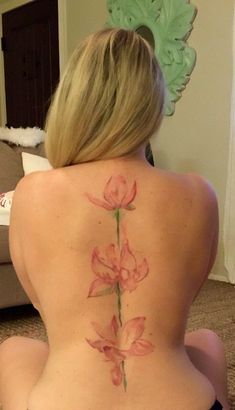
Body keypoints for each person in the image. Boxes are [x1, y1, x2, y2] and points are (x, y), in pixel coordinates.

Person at [0, 28, 229, 410]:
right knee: (207, 341)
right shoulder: (199, 193)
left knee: (13, 349)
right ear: (151, 103)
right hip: (188, 403)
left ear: (72, 102)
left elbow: (42, 304)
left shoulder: (32, 193)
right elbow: (190, 288)